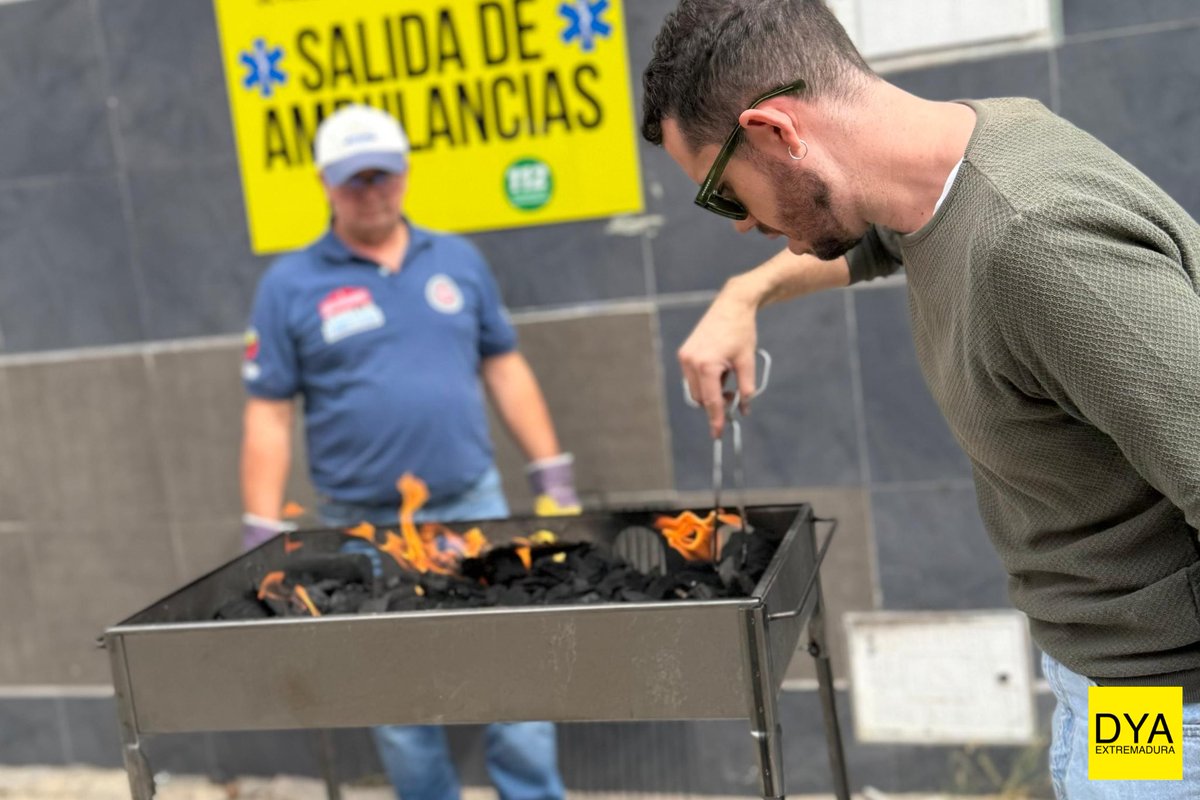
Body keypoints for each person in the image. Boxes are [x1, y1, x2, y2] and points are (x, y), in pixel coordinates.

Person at [641, 1, 1199, 797]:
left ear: (776, 132)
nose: (741, 225)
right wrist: (746, 294)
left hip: (1167, 712)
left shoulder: (1037, 243)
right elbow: (875, 241)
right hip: (1114, 684)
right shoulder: (959, 164)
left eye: (725, 194)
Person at [239, 103, 574, 800]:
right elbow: (269, 413)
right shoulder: (290, 286)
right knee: (394, 692)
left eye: (381, 175)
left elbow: (504, 367)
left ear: (405, 174)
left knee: (511, 670)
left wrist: (551, 472)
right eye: (354, 179)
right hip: (362, 525)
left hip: (473, 506)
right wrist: (260, 527)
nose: (370, 191)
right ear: (325, 184)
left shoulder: (457, 260)